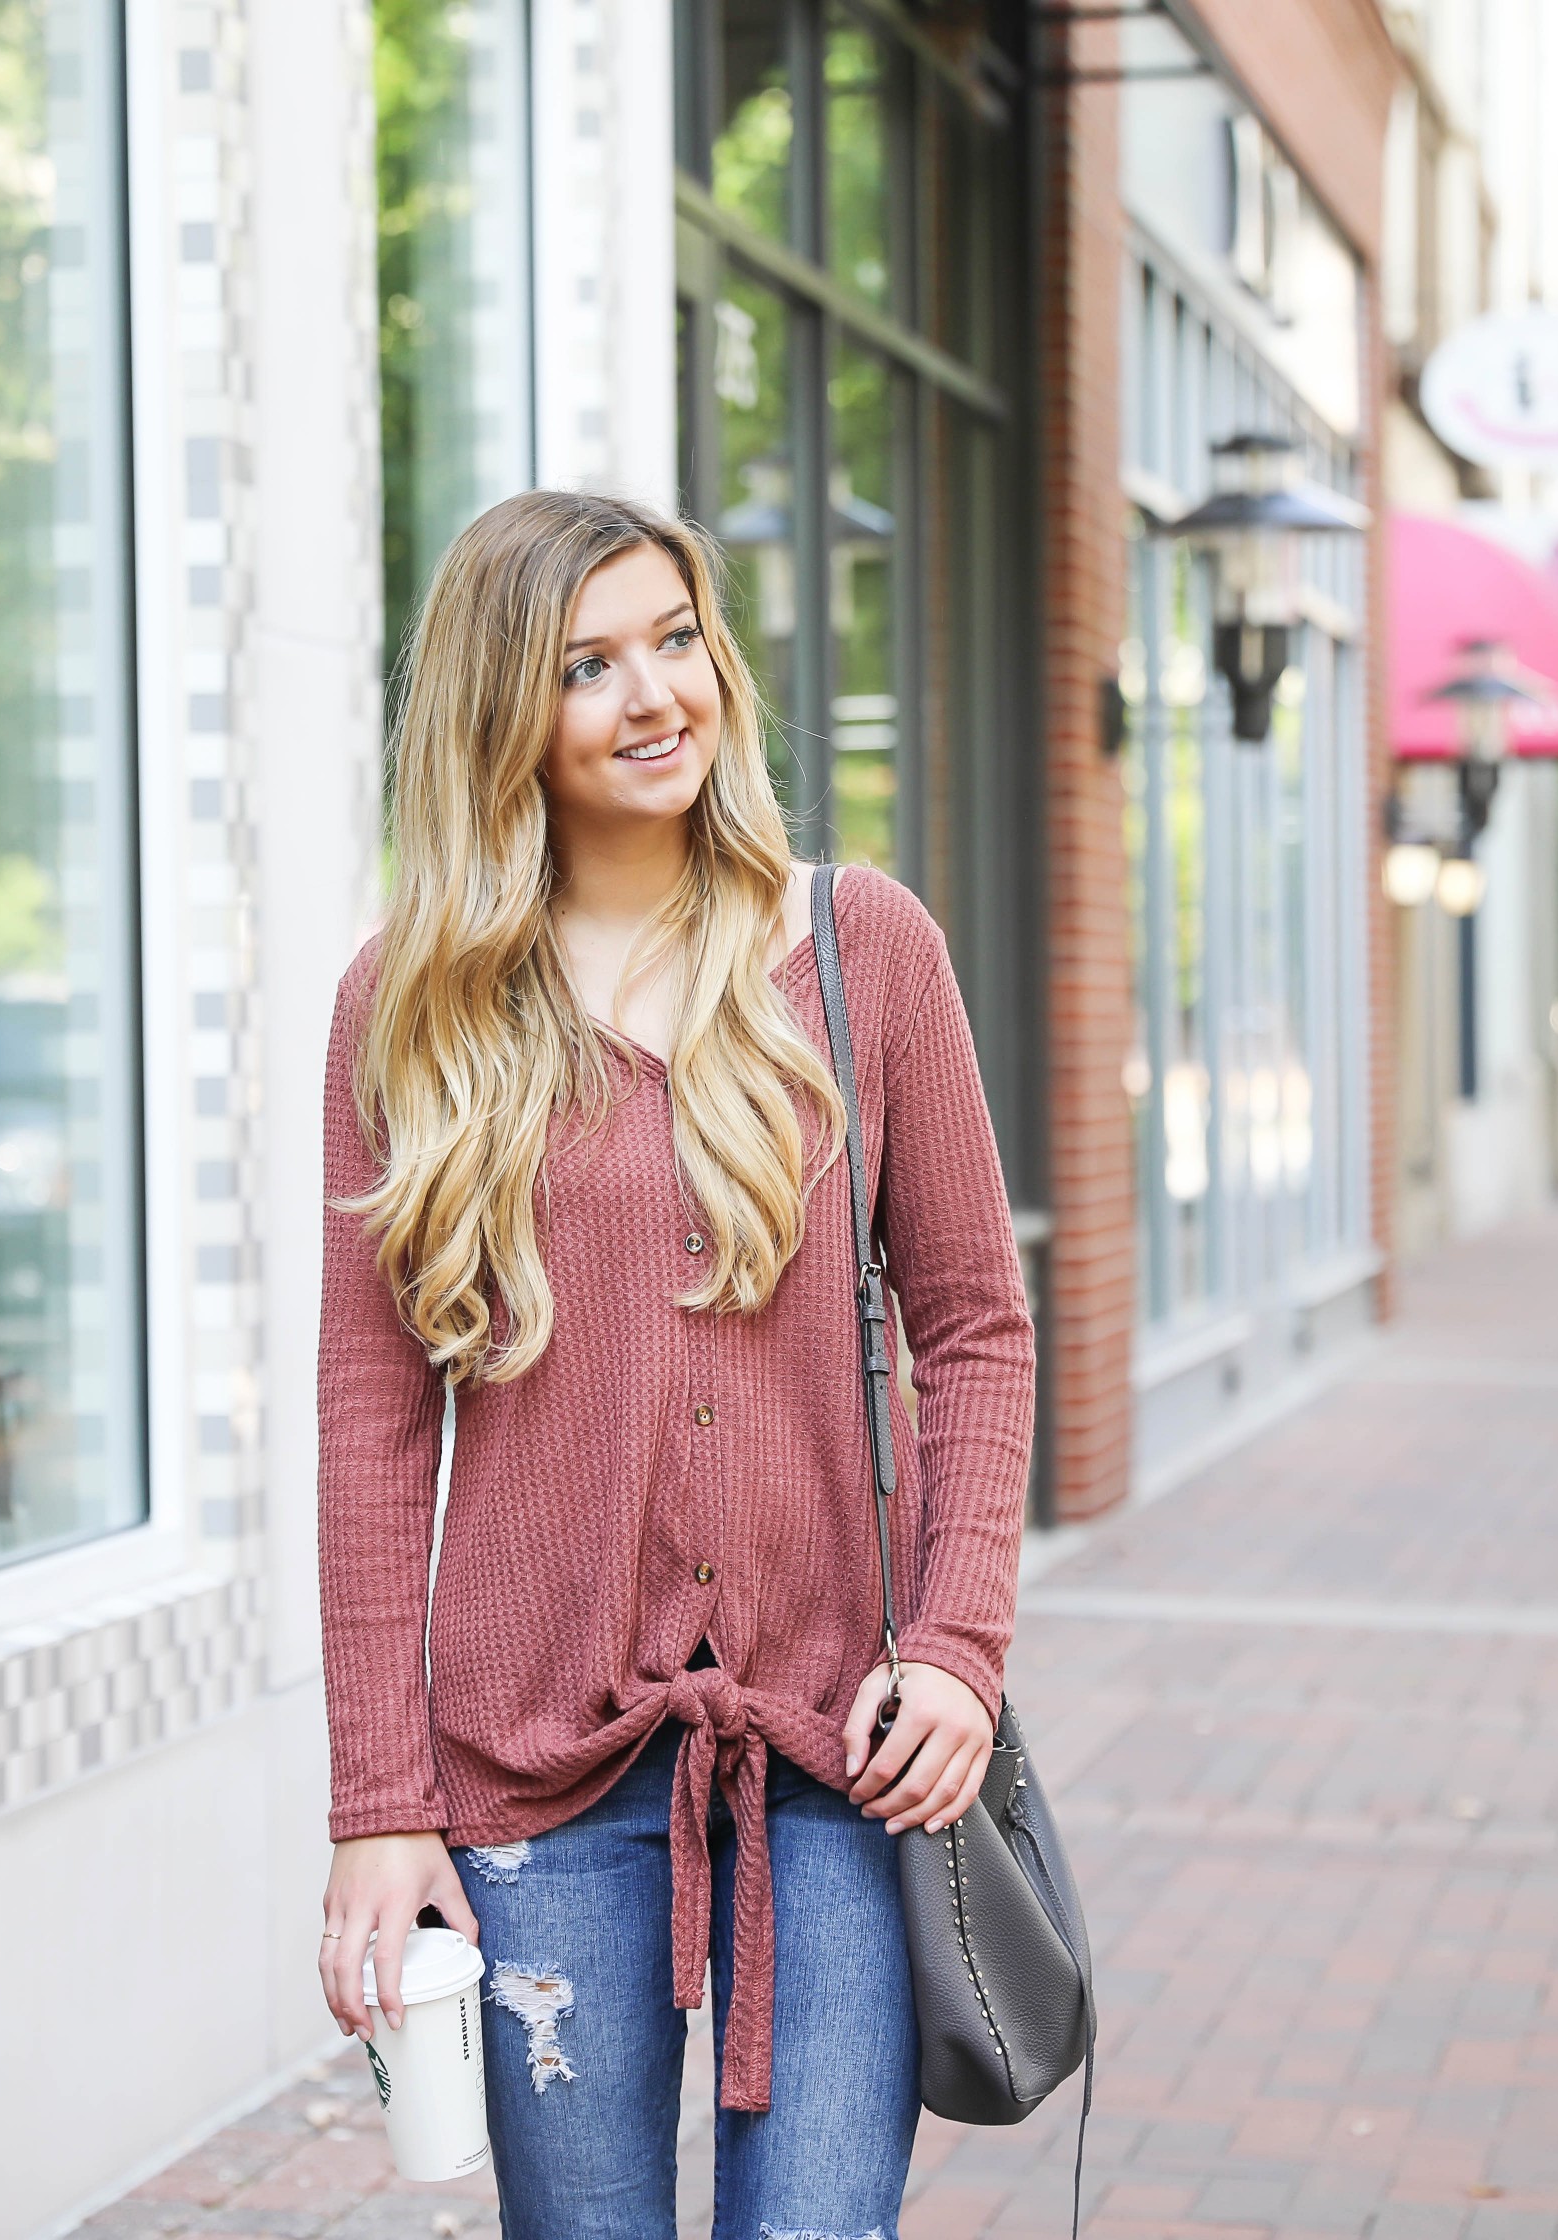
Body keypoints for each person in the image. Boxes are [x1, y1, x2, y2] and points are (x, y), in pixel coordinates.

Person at [312, 488, 1037, 2240]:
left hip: (836, 1749)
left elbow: (976, 1327)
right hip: (531, 1780)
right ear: (504, 714)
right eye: (587, 665)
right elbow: (372, 1419)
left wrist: (956, 1650)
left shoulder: (863, 951)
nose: (657, 697)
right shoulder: (410, 1004)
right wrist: (377, 1806)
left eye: (677, 640)